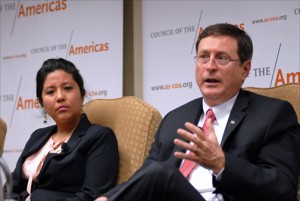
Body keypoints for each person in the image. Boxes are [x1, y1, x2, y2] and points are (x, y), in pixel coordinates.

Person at [96, 23, 300, 201]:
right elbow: (144, 178)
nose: (210, 67)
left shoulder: (272, 114)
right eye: (203, 57)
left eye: (222, 58)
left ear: (245, 69)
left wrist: (222, 164)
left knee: (163, 174)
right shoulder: (175, 119)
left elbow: (282, 190)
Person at [6, 58, 119, 201]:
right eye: (50, 92)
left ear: (82, 95)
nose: (60, 97)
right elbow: (12, 186)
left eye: (68, 88)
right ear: (41, 102)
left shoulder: (100, 137)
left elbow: (91, 195)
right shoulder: (38, 136)